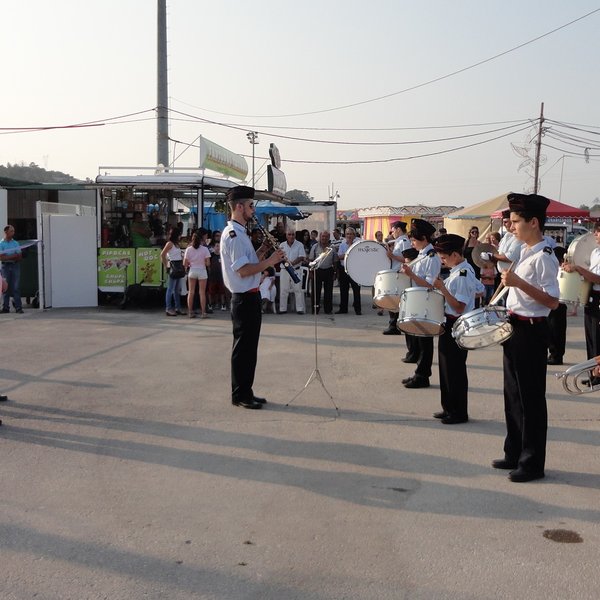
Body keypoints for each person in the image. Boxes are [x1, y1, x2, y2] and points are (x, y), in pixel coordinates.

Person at [493, 193, 559, 483]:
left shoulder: (546, 257)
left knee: (531, 398)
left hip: (532, 330)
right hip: (515, 328)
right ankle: (514, 451)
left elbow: (552, 302)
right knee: (513, 394)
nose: (512, 227)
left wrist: (518, 282)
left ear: (534, 222)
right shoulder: (525, 252)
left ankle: (532, 462)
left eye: (517, 222)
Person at [220, 185, 285, 410]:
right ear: (239, 207)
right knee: (243, 349)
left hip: (251, 296)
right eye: (250, 206)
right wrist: (272, 261)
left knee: (250, 349)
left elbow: (250, 263)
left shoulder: (241, 233)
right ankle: (239, 395)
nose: (252, 210)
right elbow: (243, 271)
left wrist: (264, 251)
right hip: (243, 299)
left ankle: (247, 391)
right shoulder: (234, 235)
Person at [431, 234, 478, 424]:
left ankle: (458, 412)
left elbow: (458, 306)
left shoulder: (463, 274)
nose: (442, 261)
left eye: (444, 257)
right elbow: (480, 289)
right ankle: (448, 407)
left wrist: (442, 289)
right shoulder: (458, 271)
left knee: (455, 370)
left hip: (457, 324)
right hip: (448, 323)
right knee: (445, 369)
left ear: (455, 255)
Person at [399, 219, 442, 388]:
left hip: (426, 301)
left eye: (414, 240)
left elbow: (431, 284)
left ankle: (423, 375)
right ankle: (419, 372)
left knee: (425, 341)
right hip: (417, 300)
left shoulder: (432, 258)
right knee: (419, 340)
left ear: (424, 238)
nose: (412, 243)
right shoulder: (423, 255)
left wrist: (411, 274)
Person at [562, 222, 600, 364]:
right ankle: (592, 372)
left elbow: (598, 279)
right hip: (591, 295)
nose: (594, 234)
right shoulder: (595, 252)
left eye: (597, 232)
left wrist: (578, 268)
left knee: (598, 339)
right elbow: (590, 275)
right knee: (590, 338)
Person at [383, 221, 411, 335]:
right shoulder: (399, 241)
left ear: (399, 229)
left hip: (399, 274)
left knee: (395, 301)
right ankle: (393, 324)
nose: (392, 233)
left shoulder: (404, 241)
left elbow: (408, 259)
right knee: (393, 301)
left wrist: (392, 256)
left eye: (393, 230)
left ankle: (394, 325)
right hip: (395, 273)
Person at [184, 232, 211, 318]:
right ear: (201, 240)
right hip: (202, 271)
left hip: (192, 270)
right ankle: (203, 312)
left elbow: (185, 263)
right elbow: (208, 263)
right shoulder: (205, 249)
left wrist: (190, 264)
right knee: (202, 292)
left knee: (191, 292)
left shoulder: (188, 249)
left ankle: (190, 312)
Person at [308, 230, 336, 314]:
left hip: (329, 270)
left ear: (328, 238)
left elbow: (335, 261)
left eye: (326, 236)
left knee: (328, 292)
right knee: (316, 291)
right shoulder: (315, 246)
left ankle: (328, 310)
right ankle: (315, 309)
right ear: (320, 237)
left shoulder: (332, 248)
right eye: (323, 236)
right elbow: (311, 260)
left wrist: (335, 273)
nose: (324, 238)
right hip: (317, 271)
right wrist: (311, 272)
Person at [279, 229, 306, 314]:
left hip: (296, 270)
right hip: (284, 270)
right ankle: (282, 309)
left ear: (295, 235)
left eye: (293, 234)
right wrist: (286, 263)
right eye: (289, 234)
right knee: (283, 290)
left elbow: (302, 256)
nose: (291, 236)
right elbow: (279, 256)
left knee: (298, 290)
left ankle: (300, 309)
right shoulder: (282, 245)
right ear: (286, 235)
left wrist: (292, 263)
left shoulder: (299, 244)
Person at [336, 227, 362, 315]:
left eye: (351, 234)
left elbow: (359, 257)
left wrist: (347, 254)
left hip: (355, 270)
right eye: (347, 234)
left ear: (354, 235)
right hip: (344, 269)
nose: (349, 236)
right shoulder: (342, 245)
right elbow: (339, 257)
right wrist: (349, 254)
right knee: (343, 290)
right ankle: (343, 308)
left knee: (356, 290)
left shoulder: (358, 244)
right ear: (345, 235)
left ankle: (358, 309)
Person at [160, 228, 184, 317]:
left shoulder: (176, 244)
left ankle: (177, 308)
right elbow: (162, 254)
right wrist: (166, 265)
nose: (180, 236)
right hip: (173, 266)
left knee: (176, 289)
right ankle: (168, 308)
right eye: (179, 234)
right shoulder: (169, 243)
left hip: (178, 266)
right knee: (170, 289)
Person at [0, 225, 23, 314]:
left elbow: (20, 256)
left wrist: (8, 256)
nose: (13, 233)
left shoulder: (16, 243)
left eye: (13, 231)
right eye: (11, 231)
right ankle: (5, 307)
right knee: (5, 287)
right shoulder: (1, 244)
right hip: (5, 267)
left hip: (15, 266)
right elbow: (1, 258)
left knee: (16, 287)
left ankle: (18, 307)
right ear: (6, 232)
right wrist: (14, 255)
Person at [207, 240, 229, 311]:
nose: (218, 248)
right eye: (216, 246)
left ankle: (223, 304)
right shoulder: (211, 255)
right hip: (212, 276)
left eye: (219, 246)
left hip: (221, 276)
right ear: (213, 247)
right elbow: (208, 265)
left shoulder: (223, 255)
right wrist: (209, 271)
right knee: (211, 291)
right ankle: (210, 304)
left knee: (222, 291)